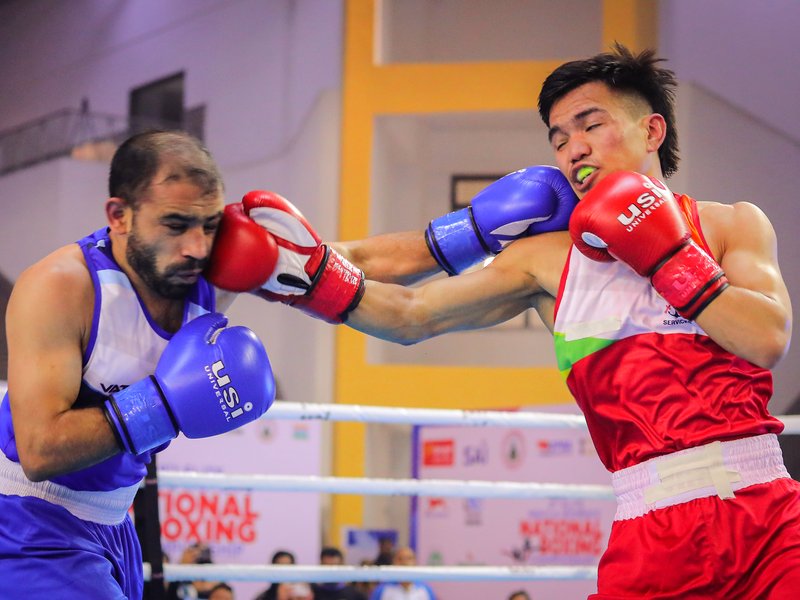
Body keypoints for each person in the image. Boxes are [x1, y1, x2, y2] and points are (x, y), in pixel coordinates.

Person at [208, 44, 800, 598]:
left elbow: (767, 337)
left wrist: (667, 254)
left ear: (651, 131)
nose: (573, 149)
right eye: (559, 138)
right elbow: (412, 314)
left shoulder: (731, 225)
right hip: (652, 528)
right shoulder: (545, 260)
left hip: (769, 515)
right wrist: (304, 275)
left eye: (590, 125)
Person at [0, 130, 277, 599]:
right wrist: (163, 406)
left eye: (210, 225)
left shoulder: (200, 279)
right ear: (119, 216)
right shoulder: (60, 285)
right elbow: (39, 451)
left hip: (115, 521)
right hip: (28, 519)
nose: (198, 247)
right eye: (175, 224)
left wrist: (437, 248)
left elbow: (356, 266)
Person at [368, 546, 435, 600]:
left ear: (415, 562)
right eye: (400, 559)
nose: (404, 562)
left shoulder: (425, 590)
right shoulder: (382, 590)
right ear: (394, 562)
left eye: (409, 558)